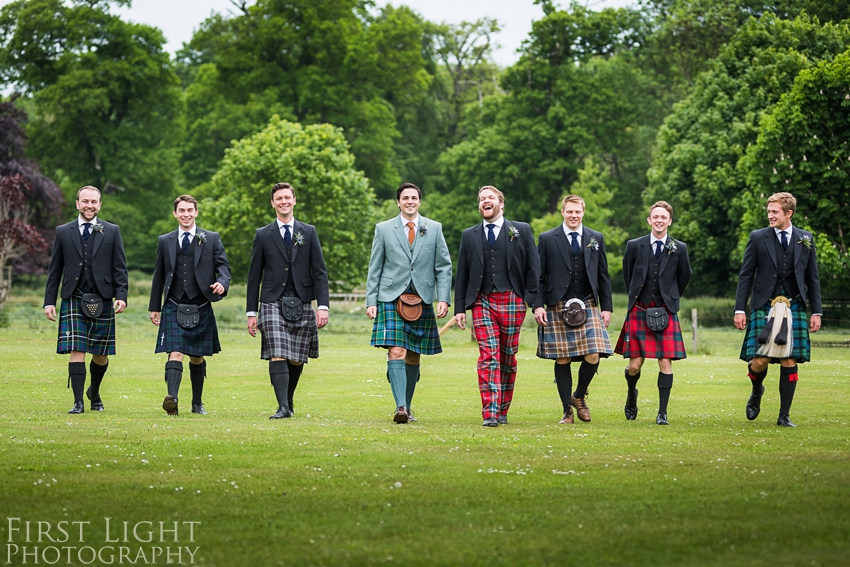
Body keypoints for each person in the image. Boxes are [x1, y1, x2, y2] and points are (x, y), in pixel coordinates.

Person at [366, 182, 452, 424]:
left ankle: (408, 405)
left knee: (413, 355)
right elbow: (375, 267)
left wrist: (443, 297)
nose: (410, 201)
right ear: (398, 202)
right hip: (390, 297)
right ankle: (400, 407)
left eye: (414, 197)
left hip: (422, 298)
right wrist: (371, 300)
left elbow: (443, 266)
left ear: (419, 201)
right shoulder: (383, 229)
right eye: (405, 198)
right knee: (397, 350)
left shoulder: (434, 228)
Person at [734, 192, 821, 427]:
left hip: (795, 305)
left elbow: (813, 278)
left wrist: (816, 311)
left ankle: (784, 416)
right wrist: (739, 309)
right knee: (760, 359)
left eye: (774, 212)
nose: (770, 215)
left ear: (788, 213)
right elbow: (745, 276)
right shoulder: (758, 237)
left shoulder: (806, 238)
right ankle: (756, 389)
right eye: (769, 211)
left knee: (789, 359)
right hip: (765, 304)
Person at [454, 186, 540, 427]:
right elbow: (462, 273)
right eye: (482, 199)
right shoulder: (469, 235)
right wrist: (459, 307)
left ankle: (503, 408)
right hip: (481, 301)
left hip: (512, 298)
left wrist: (536, 303)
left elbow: (533, 268)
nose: (485, 201)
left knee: (508, 357)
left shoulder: (520, 230)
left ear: (501, 204)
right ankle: (490, 411)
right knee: (488, 356)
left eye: (490, 198)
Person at [246, 182, 329, 419]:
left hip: (302, 300)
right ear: (272, 203)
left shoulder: (309, 232)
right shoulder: (263, 234)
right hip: (272, 300)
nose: (283, 202)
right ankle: (282, 407)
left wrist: (322, 306)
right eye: (278, 198)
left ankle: (288, 400)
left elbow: (320, 271)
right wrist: (251, 312)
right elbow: (254, 276)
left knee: (296, 358)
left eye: (287, 198)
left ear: (294, 200)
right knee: (278, 351)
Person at [43, 186, 128, 414]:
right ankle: (78, 402)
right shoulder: (63, 231)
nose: (89, 205)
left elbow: (120, 267)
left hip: (103, 297)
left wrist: (121, 295)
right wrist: (49, 301)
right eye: (85, 201)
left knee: (100, 354)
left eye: (94, 201)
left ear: (100, 205)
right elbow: (55, 270)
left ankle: (95, 392)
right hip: (73, 296)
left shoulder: (111, 231)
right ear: (77, 204)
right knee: (77, 349)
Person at [533, 194, 613, 424]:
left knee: (594, 353)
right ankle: (567, 410)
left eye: (577, 211)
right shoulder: (548, 238)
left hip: (587, 303)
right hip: (557, 304)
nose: (573, 215)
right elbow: (539, 276)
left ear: (583, 212)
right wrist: (538, 305)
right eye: (569, 211)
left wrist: (606, 307)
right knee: (562, 359)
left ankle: (578, 395)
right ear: (563, 212)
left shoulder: (595, 237)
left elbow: (603, 275)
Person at [149, 195, 231, 416]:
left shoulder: (211, 238)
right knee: (174, 352)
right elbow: (159, 275)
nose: (186, 214)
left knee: (197, 356)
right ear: (175, 213)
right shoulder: (165, 240)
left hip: (201, 303)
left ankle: (197, 403)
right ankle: (172, 399)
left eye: (190, 210)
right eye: (181, 210)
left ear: (196, 213)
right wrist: (154, 306)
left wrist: (222, 283)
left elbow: (224, 267)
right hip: (174, 303)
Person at [615, 200, 691, 425]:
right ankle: (631, 395)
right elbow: (628, 276)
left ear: (669, 221)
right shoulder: (634, 246)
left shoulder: (680, 248)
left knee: (665, 362)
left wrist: (671, 298)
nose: (659, 220)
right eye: (655, 217)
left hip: (665, 311)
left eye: (663, 217)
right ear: (649, 220)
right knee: (634, 365)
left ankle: (662, 412)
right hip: (639, 310)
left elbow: (684, 276)